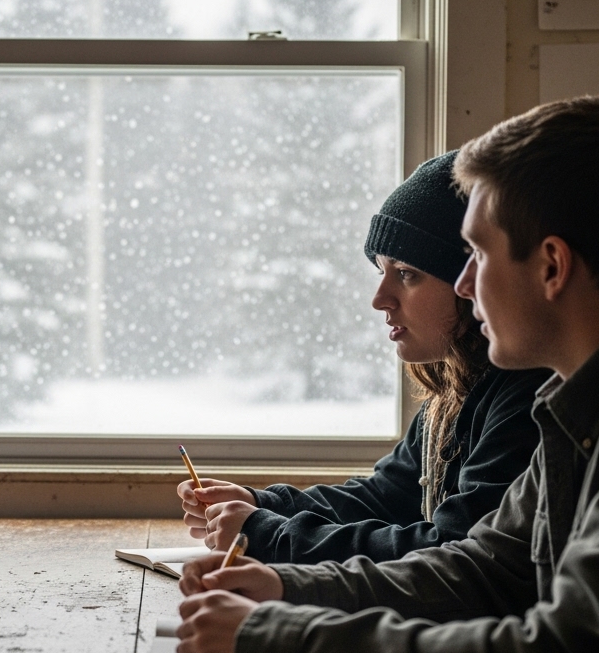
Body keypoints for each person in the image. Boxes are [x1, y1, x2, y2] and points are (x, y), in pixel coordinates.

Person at [171, 96, 599, 653]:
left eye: (477, 254)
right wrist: (284, 591)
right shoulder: (589, 393)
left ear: (552, 265)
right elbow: (485, 569)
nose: (465, 284)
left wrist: (280, 643)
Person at [179, 151, 548, 564]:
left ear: (470, 279)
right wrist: (262, 504)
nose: (379, 299)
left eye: (407, 273)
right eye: (381, 272)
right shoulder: (457, 388)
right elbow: (385, 496)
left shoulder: (526, 396)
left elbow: (449, 551)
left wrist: (268, 534)